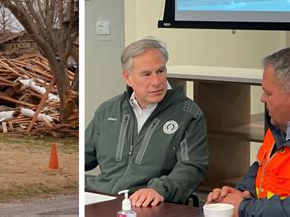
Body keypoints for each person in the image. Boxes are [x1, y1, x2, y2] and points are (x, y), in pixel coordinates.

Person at [85, 37, 209, 207]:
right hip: (103, 199)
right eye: (146, 74)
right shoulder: (108, 111)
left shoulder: (188, 114)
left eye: (160, 71)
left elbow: (192, 168)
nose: (157, 82)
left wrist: (159, 190)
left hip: (149, 204)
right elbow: (83, 157)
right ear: (127, 78)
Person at [206, 46, 290, 216]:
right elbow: (260, 169)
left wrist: (244, 207)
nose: (262, 98)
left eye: (268, 92)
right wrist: (241, 194)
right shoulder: (280, 126)